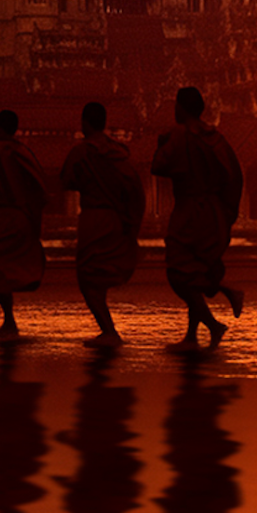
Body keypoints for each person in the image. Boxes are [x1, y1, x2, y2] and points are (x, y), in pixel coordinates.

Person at [151, 87, 245, 354]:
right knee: (197, 267)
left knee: (179, 272)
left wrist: (161, 144)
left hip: (189, 209)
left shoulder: (180, 135)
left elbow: (158, 166)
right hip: (213, 211)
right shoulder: (215, 137)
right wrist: (229, 211)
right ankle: (191, 335)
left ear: (181, 108)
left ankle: (220, 309)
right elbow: (235, 175)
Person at [60, 101, 146, 348]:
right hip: (115, 218)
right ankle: (108, 329)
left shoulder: (82, 152)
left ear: (85, 123)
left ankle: (109, 331)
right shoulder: (117, 152)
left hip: (94, 218)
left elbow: (67, 180)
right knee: (102, 271)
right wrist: (132, 222)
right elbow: (134, 188)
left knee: (87, 276)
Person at [0, 109, 49, 338]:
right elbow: (40, 188)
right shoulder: (24, 151)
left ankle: (9, 320)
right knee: (16, 262)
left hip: (5, 214)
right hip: (24, 216)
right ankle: (10, 319)